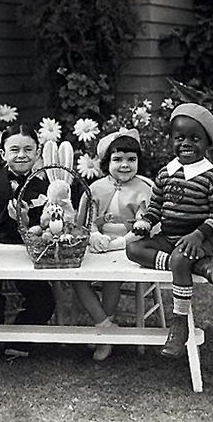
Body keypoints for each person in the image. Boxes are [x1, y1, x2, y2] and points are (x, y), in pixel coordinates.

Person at [126, 103, 213, 358]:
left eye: (195, 138)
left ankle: (179, 322)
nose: (186, 143)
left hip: (199, 239)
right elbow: (156, 207)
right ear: (171, 140)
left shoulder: (211, 176)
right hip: (169, 238)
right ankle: (193, 266)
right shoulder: (166, 173)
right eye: (179, 137)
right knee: (133, 249)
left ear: (207, 143)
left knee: (179, 257)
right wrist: (146, 222)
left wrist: (199, 234)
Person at [74, 128, 152, 361]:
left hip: (128, 246)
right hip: (97, 244)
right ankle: (106, 326)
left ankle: (104, 334)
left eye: (131, 159)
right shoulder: (96, 188)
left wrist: (118, 243)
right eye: (117, 159)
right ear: (107, 162)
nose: (124, 165)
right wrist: (94, 236)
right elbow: (86, 221)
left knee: (112, 277)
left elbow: (143, 227)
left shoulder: (143, 189)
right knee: (76, 277)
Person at [0, 124, 55, 359]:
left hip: (27, 252)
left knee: (43, 299)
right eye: (14, 150)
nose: (21, 155)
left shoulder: (46, 186)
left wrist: (25, 221)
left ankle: (18, 337)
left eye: (28, 149)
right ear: (3, 154)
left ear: (37, 153)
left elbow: (47, 226)